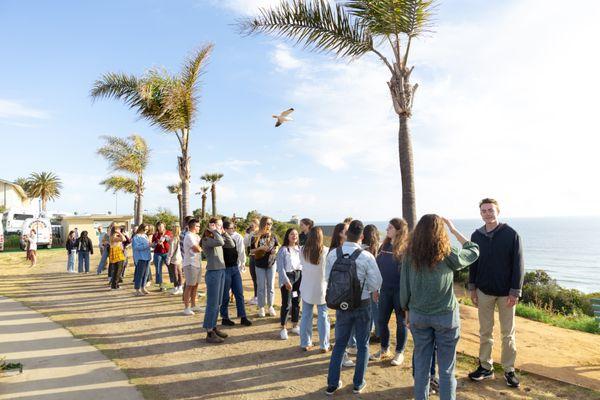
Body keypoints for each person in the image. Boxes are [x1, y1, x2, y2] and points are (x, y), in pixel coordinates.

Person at [400, 215, 479, 400]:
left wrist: (406, 311)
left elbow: (404, 287)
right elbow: (473, 250)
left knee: (421, 367)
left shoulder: (409, 254)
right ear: (441, 232)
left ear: (418, 231)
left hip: (418, 315)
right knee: (446, 370)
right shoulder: (446, 253)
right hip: (446, 317)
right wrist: (453, 230)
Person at [467, 198, 524, 388]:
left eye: (490, 210)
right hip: (483, 292)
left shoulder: (511, 234)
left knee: (508, 334)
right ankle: (485, 366)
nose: (487, 213)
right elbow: (472, 264)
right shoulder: (476, 236)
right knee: (485, 331)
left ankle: (508, 370)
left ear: (497, 211)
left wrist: (515, 291)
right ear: (480, 214)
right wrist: (472, 288)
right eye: (484, 211)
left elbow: (518, 265)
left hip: (506, 294)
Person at [325, 220, 382, 395]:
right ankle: (358, 383)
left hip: (342, 305)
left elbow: (328, 278)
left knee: (340, 344)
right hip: (362, 304)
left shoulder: (334, 254)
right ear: (362, 236)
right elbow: (376, 283)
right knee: (363, 344)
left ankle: (332, 384)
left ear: (347, 234)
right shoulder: (366, 256)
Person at [370, 218, 409, 366]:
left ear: (399, 230)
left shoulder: (406, 248)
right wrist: (375, 289)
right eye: (387, 227)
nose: (387, 230)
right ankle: (384, 349)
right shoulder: (384, 245)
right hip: (385, 290)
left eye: (390, 228)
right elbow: (377, 269)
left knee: (401, 323)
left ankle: (399, 353)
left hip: (400, 292)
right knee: (381, 321)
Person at [328, 222, 355, 368]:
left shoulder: (346, 249)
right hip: (341, 295)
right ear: (340, 233)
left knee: (346, 325)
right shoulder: (335, 251)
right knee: (342, 325)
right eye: (346, 230)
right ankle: (343, 355)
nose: (348, 232)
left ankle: (347, 350)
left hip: (348, 294)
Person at [299, 227, 330, 352]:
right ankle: (324, 344)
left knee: (306, 315)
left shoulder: (302, 250)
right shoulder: (326, 251)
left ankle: (305, 342)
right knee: (323, 316)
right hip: (321, 288)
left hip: (307, 287)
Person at [202, 218, 230, 344]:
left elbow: (231, 244)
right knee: (212, 304)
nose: (220, 227)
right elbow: (220, 242)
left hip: (221, 271)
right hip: (213, 273)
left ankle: (213, 327)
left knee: (218, 303)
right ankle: (209, 332)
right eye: (218, 225)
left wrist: (224, 233)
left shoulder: (217, 237)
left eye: (221, 225)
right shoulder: (207, 239)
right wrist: (214, 231)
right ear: (211, 226)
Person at [220, 220, 252, 326]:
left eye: (234, 228)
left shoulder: (237, 237)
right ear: (224, 229)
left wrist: (242, 264)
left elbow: (241, 251)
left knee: (239, 293)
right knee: (225, 295)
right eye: (230, 228)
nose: (233, 230)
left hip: (235, 268)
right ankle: (225, 317)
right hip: (224, 269)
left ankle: (243, 317)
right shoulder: (219, 238)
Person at [276, 228, 303, 340]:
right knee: (286, 304)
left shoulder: (300, 249)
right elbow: (280, 268)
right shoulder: (283, 250)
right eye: (292, 234)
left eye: (296, 234)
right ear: (288, 236)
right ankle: (283, 328)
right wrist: (286, 281)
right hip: (288, 277)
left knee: (296, 301)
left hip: (298, 277)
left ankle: (295, 325)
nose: (294, 236)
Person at [250, 216, 279, 318]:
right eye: (267, 223)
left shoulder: (273, 235)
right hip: (259, 264)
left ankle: (270, 306)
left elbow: (276, 246)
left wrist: (274, 250)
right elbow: (251, 251)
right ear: (262, 224)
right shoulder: (255, 236)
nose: (269, 226)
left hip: (271, 263)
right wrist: (261, 248)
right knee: (261, 287)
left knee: (271, 287)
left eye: (270, 224)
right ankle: (261, 307)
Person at [362, 224, 381, 343]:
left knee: (368, 310)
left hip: (366, 282)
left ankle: (368, 332)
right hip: (378, 281)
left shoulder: (363, 248)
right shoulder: (379, 246)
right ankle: (378, 332)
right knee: (376, 309)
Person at [182, 219, 202, 315]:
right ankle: (186, 307)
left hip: (197, 263)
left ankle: (193, 305)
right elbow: (197, 249)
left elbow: (202, 247)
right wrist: (201, 248)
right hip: (190, 263)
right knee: (189, 286)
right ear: (194, 227)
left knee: (195, 285)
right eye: (198, 226)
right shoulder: (189, 236)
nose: (199, 228)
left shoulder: (196, 236)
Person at [151, 222, 172, 291]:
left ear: (164, 226)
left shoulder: (168, 232)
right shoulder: (155, 235)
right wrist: (157, 242)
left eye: (162, 226)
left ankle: (174, 284)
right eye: (159, 226)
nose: (160, 228)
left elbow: (171, 241)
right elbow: (153, 245)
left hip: (167, 253)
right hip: (157, 253)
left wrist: (166, 238)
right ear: (157, 227)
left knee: (171, 268)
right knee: (158, 269)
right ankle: (161, 285)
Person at [132, 224, 151, 296]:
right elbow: (136, 247)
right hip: (140, 258)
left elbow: (148, 245)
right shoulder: (136, 237)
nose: (146, 231)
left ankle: (143, 287)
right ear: (141, 229)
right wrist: (147, 245)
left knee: (146, 274)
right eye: (145, 229)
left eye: (147, 230)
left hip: (147, 257)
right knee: (139, 275)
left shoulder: (145, 236)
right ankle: (137, 289)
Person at [244, 218, 260, 305]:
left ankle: (259, 297)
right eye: (251, 225)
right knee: (254, 277)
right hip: (251, 257)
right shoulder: (251, 234)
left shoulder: (260, 233)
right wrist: (247, 233)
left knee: (259, 278)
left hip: (258, 257)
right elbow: (245, 244)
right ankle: (256, 296)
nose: (251, 226)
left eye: (253, 224)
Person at [166, 225, 183, 295]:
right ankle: (180, 287)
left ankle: (176, 287)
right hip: (180, 258)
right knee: (179, 273)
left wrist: (168, 258)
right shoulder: (180, 238)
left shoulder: (174, 239)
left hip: (174, 258)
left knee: (175, 273)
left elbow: (171, 250)